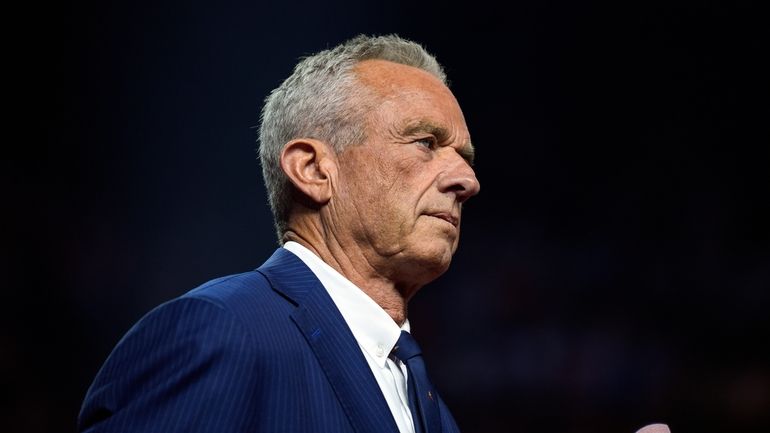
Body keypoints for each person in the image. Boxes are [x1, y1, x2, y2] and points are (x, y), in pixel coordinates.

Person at [78, 34, 480, 433]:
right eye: (426, 143)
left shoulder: (430, 407)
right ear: (314, 170)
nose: (468, 180)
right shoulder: (221, 332)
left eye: (464, 158)